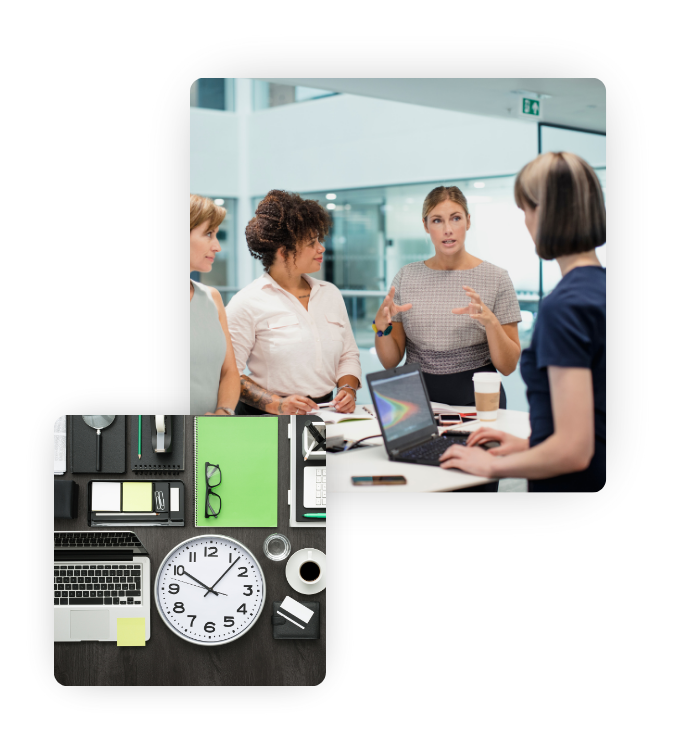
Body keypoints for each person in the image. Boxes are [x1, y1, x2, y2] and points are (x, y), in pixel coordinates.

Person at [439, 152, 606, 492]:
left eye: (526, 210)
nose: (526, 222)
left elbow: (575, 451)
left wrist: (491, 464)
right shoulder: (597, 292)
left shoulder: (565, 307)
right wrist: (531, 445)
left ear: (547, 212)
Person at [374, 185, 522, 493]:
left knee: (472, 488)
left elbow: (507, 365)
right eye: (437, 220)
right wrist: (381, 328)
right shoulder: (406, 276)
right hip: (416, 404)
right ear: (426, 226)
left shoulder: (496, 278)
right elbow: (391, 360)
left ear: (468, 220)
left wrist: (490, 323)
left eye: (455, 218)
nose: (447, 229)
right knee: (418, 485)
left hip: (477, 402)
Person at [226, 189, 362, 416]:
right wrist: (277, 404)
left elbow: (348, 355)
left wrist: (348, 389)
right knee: (292, 454)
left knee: (335, 452)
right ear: (282, 252)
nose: (321, 248)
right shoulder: (246, 302)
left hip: (325, 412)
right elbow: (229, 374)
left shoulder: (330, 294)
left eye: (319, 240)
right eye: (311, 243)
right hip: (266, 417)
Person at [190, 194, 241, 416]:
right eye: (209, 234)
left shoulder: (212, 298)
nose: (217, 247)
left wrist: (224, 413)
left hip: (208, 438)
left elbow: (229, 372)